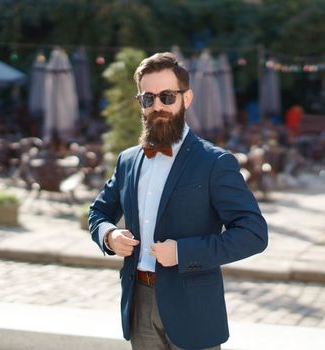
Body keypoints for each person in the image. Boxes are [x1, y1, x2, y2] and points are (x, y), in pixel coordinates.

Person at [89, 52, 268, 350]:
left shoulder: (215, 162)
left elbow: (254, 234)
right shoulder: (128, 161)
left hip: (193, 310)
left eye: (167, 96)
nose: (157, 106)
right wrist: (109, 235)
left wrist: (183, 253)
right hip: (139, 304)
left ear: (187, 99)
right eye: (149, 98)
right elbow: (98, 212)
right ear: (140, 103)